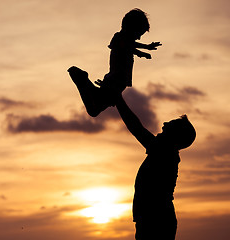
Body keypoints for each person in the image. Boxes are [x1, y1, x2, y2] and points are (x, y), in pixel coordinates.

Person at [115, 93, 196, 240]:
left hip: (156, 220)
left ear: (175, 136)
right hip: (153, 218)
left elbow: (136, 128)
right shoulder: (165, 153)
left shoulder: (165, 153)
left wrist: (118, 99)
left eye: (168, 126)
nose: (164, 124)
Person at [68, 8, 161, 117]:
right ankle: (84, 80)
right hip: (116, 78)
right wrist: (143, 52)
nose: (139, 38)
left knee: (95, 107)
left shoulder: (124, 39)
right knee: (94, 109)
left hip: (118, 79)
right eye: (138, 34)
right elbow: (127, 46)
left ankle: (87, 84)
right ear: (131, 27)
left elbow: (130, 45)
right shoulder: (118, 37)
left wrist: (147, 47)